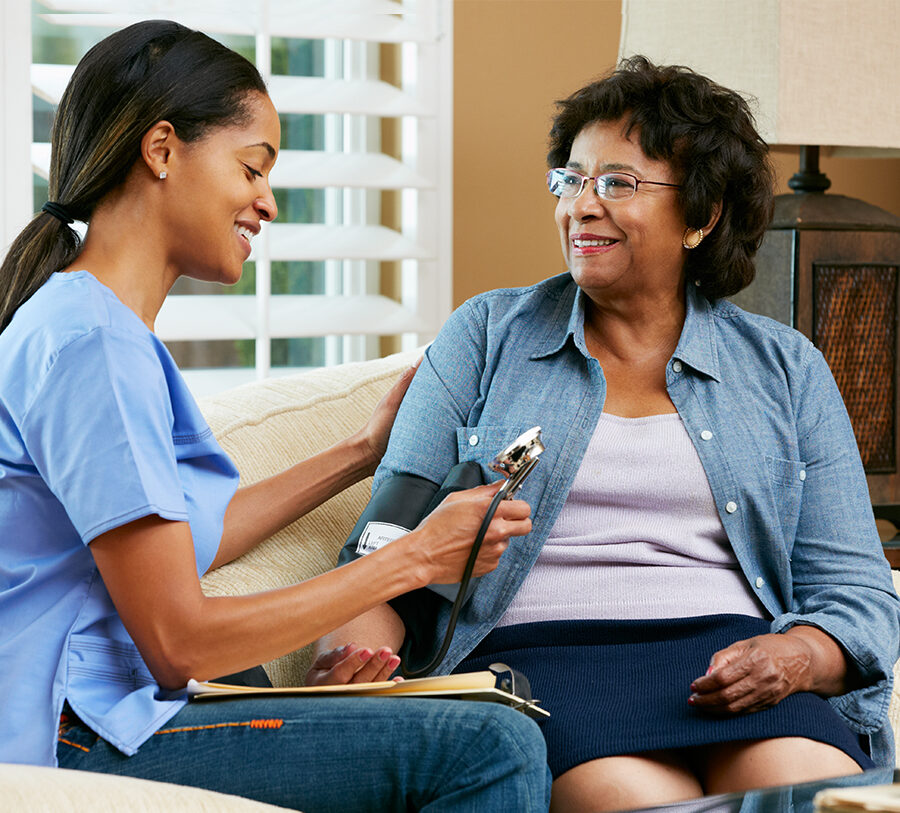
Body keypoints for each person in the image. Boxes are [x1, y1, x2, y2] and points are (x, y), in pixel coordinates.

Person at [315, 56, 900, 811]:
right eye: (571, 178)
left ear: (701, 215)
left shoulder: (786, 367)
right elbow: (382, 544)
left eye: (617, 183)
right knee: (625, 796)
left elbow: (854, 589)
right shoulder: (486, 335)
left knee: (803, 788)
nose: (580, 206)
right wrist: (348, 655)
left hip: (733, 663)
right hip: (546, 662)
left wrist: (797, 654)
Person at [0, 20, 553, 812]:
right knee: (492, 743)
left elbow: (192, 536)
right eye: (252, 167)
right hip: (70, 737)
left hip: (100, 717)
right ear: (162, 150)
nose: (267, 201)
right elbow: (177, 641)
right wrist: (415, 558)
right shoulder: (92, 346)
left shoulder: (96, 328)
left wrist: (360, 452)